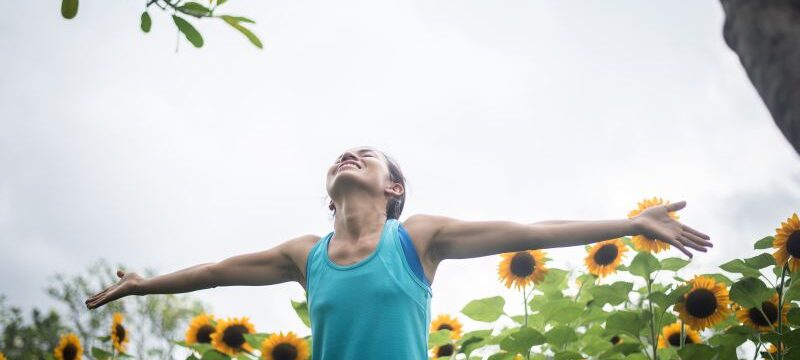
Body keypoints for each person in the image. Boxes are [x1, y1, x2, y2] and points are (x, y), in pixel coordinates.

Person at [85, 146, 712, 359]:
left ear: (394, 189)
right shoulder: (307, 254)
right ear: (328, 196)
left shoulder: (418, 239)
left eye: (366, 153)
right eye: (339, 155)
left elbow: (533, 230)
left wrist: (631, 224)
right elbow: (213, 274)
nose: (347, 156)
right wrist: (144, 286)